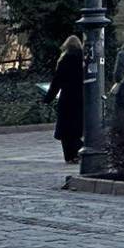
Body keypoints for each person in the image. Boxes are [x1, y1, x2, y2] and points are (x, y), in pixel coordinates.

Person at [45, 35, 86, 163]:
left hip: (67, 97)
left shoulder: (65, 59)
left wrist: (48, 98)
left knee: (66, 129)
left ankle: (70, 156)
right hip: (81, 97)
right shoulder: (85, 59)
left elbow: (57, 81)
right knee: (77, 127)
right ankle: (79, 151)